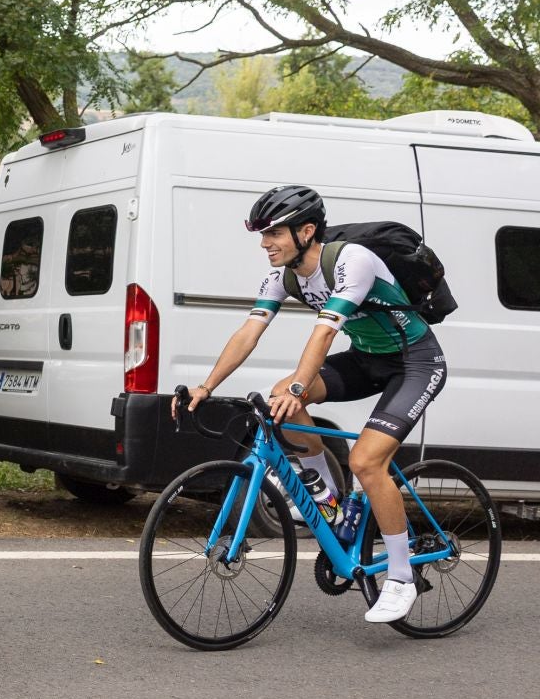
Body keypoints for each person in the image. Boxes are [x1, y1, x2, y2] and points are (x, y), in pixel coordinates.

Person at [177, 186, 447, 624]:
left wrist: (299, 389)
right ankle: (330, 501)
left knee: (365, 461)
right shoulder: (283, 276)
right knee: (281, 394)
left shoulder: (350, 262)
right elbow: (249, 332)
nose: (265, 243)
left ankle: (401, 577)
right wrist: (205, 387)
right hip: (367, 360)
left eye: (273, 233)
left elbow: (323, 335)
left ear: (306, 231)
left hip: (415, 361)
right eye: (261, 235)